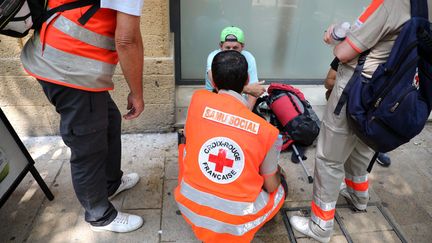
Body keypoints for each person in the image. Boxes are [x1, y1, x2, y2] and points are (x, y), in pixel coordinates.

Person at [289, 0, 411, 242]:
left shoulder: (390, 5)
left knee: (328, 158)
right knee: (362, 142)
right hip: (387, 89)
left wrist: (335, 33)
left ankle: (320, 226)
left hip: (357, 87)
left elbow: (344, 52)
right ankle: (358, 195)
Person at [20, 0, 145, 233]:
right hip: (70, 68)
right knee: (88, 145)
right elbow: (127, 41)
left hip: (59, 55)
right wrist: (137, 94)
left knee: (109, 120)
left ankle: (110, 183)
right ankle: (99, 215)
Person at [176, 50, 286, 242]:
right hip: (237, 220)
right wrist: (278, 176)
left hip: (189, 203)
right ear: (248, 79)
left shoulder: (197, 100)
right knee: (279, 185)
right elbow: (270, 185)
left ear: (213, 80)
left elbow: (189, 134)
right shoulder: (266, 131)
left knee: (185, 147)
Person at [324, 57, 392, 167]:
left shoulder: (388, 57)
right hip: (348, 99)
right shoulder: (348, 54)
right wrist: (351, 82)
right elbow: (328, 82)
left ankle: (374, 145)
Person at [205, 26, 266, 109]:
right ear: (220, 46)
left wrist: (247, 114)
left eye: (235, 48)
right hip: (216, 97)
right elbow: (217, 84)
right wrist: (246, 89)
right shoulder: (213, 57)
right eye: (227, 48)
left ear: (242, 46)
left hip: (240, 100)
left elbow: (253, 90)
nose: (231, 51)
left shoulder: (249, 57)